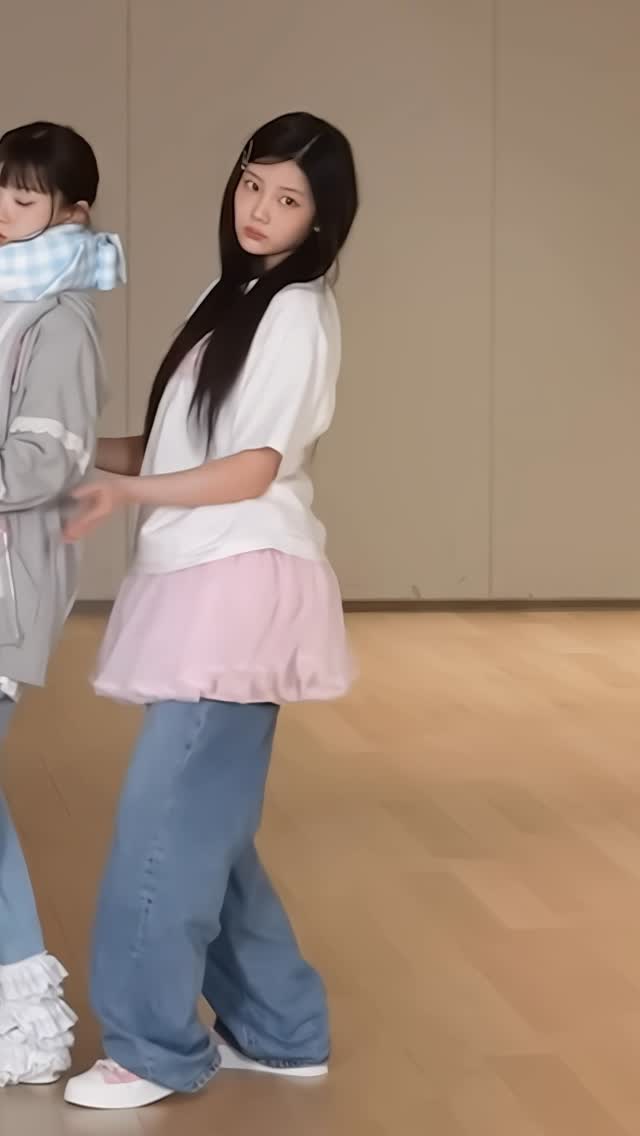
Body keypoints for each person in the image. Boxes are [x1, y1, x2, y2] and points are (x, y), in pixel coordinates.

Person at [63, 110, 358, 1111]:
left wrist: (125, 494)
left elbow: (250, 468)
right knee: (204, 827)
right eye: (252, 184)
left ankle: (151, 1048)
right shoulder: (232, 295)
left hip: (237, 586)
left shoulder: (297, 312)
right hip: (199, 580)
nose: (260, 209)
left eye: (288, 198)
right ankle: (280, 1027)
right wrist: (65, 453)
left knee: (165, 826)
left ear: (320, 219)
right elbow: (173, 443)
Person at [0, 120, 125, 1086]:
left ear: (73, 213)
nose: (3, 212)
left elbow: (46, 460)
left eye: (25, 198)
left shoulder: (61, 318)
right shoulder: (8, 297)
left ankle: (28, 1027)